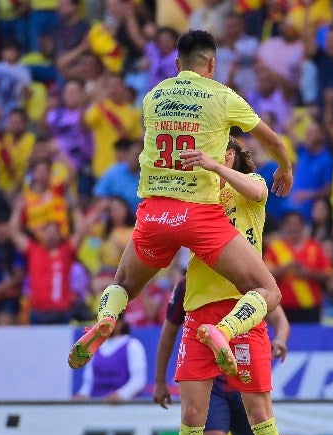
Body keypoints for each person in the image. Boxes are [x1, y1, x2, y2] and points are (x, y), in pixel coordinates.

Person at [67, 30, 292, 388]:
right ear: (212, 64)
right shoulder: (222, 96)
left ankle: (107, 318)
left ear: (176, 64)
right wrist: (285, 167)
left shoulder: (153, 96)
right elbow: (271, 139)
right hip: (199, 215)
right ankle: (223, 331)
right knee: (268, 291)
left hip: (154, 214)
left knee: (123, 282)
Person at [152, 139, 290, 435]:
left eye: (223, 151)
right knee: (191, 416)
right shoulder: (196, 194)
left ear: (232, 154)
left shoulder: (248, 184)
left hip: (244, 307)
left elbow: (260, 191)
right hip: (199, 308)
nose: (216, 156)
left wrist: (213, 164)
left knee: (260, 411)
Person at [73, 318, 147, 402]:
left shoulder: (133, 345)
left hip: (124, 406)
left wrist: (121, 395)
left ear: (120, 323)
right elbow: (88, 383)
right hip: (97, 406)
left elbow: (138, 381)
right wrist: (82, 395)